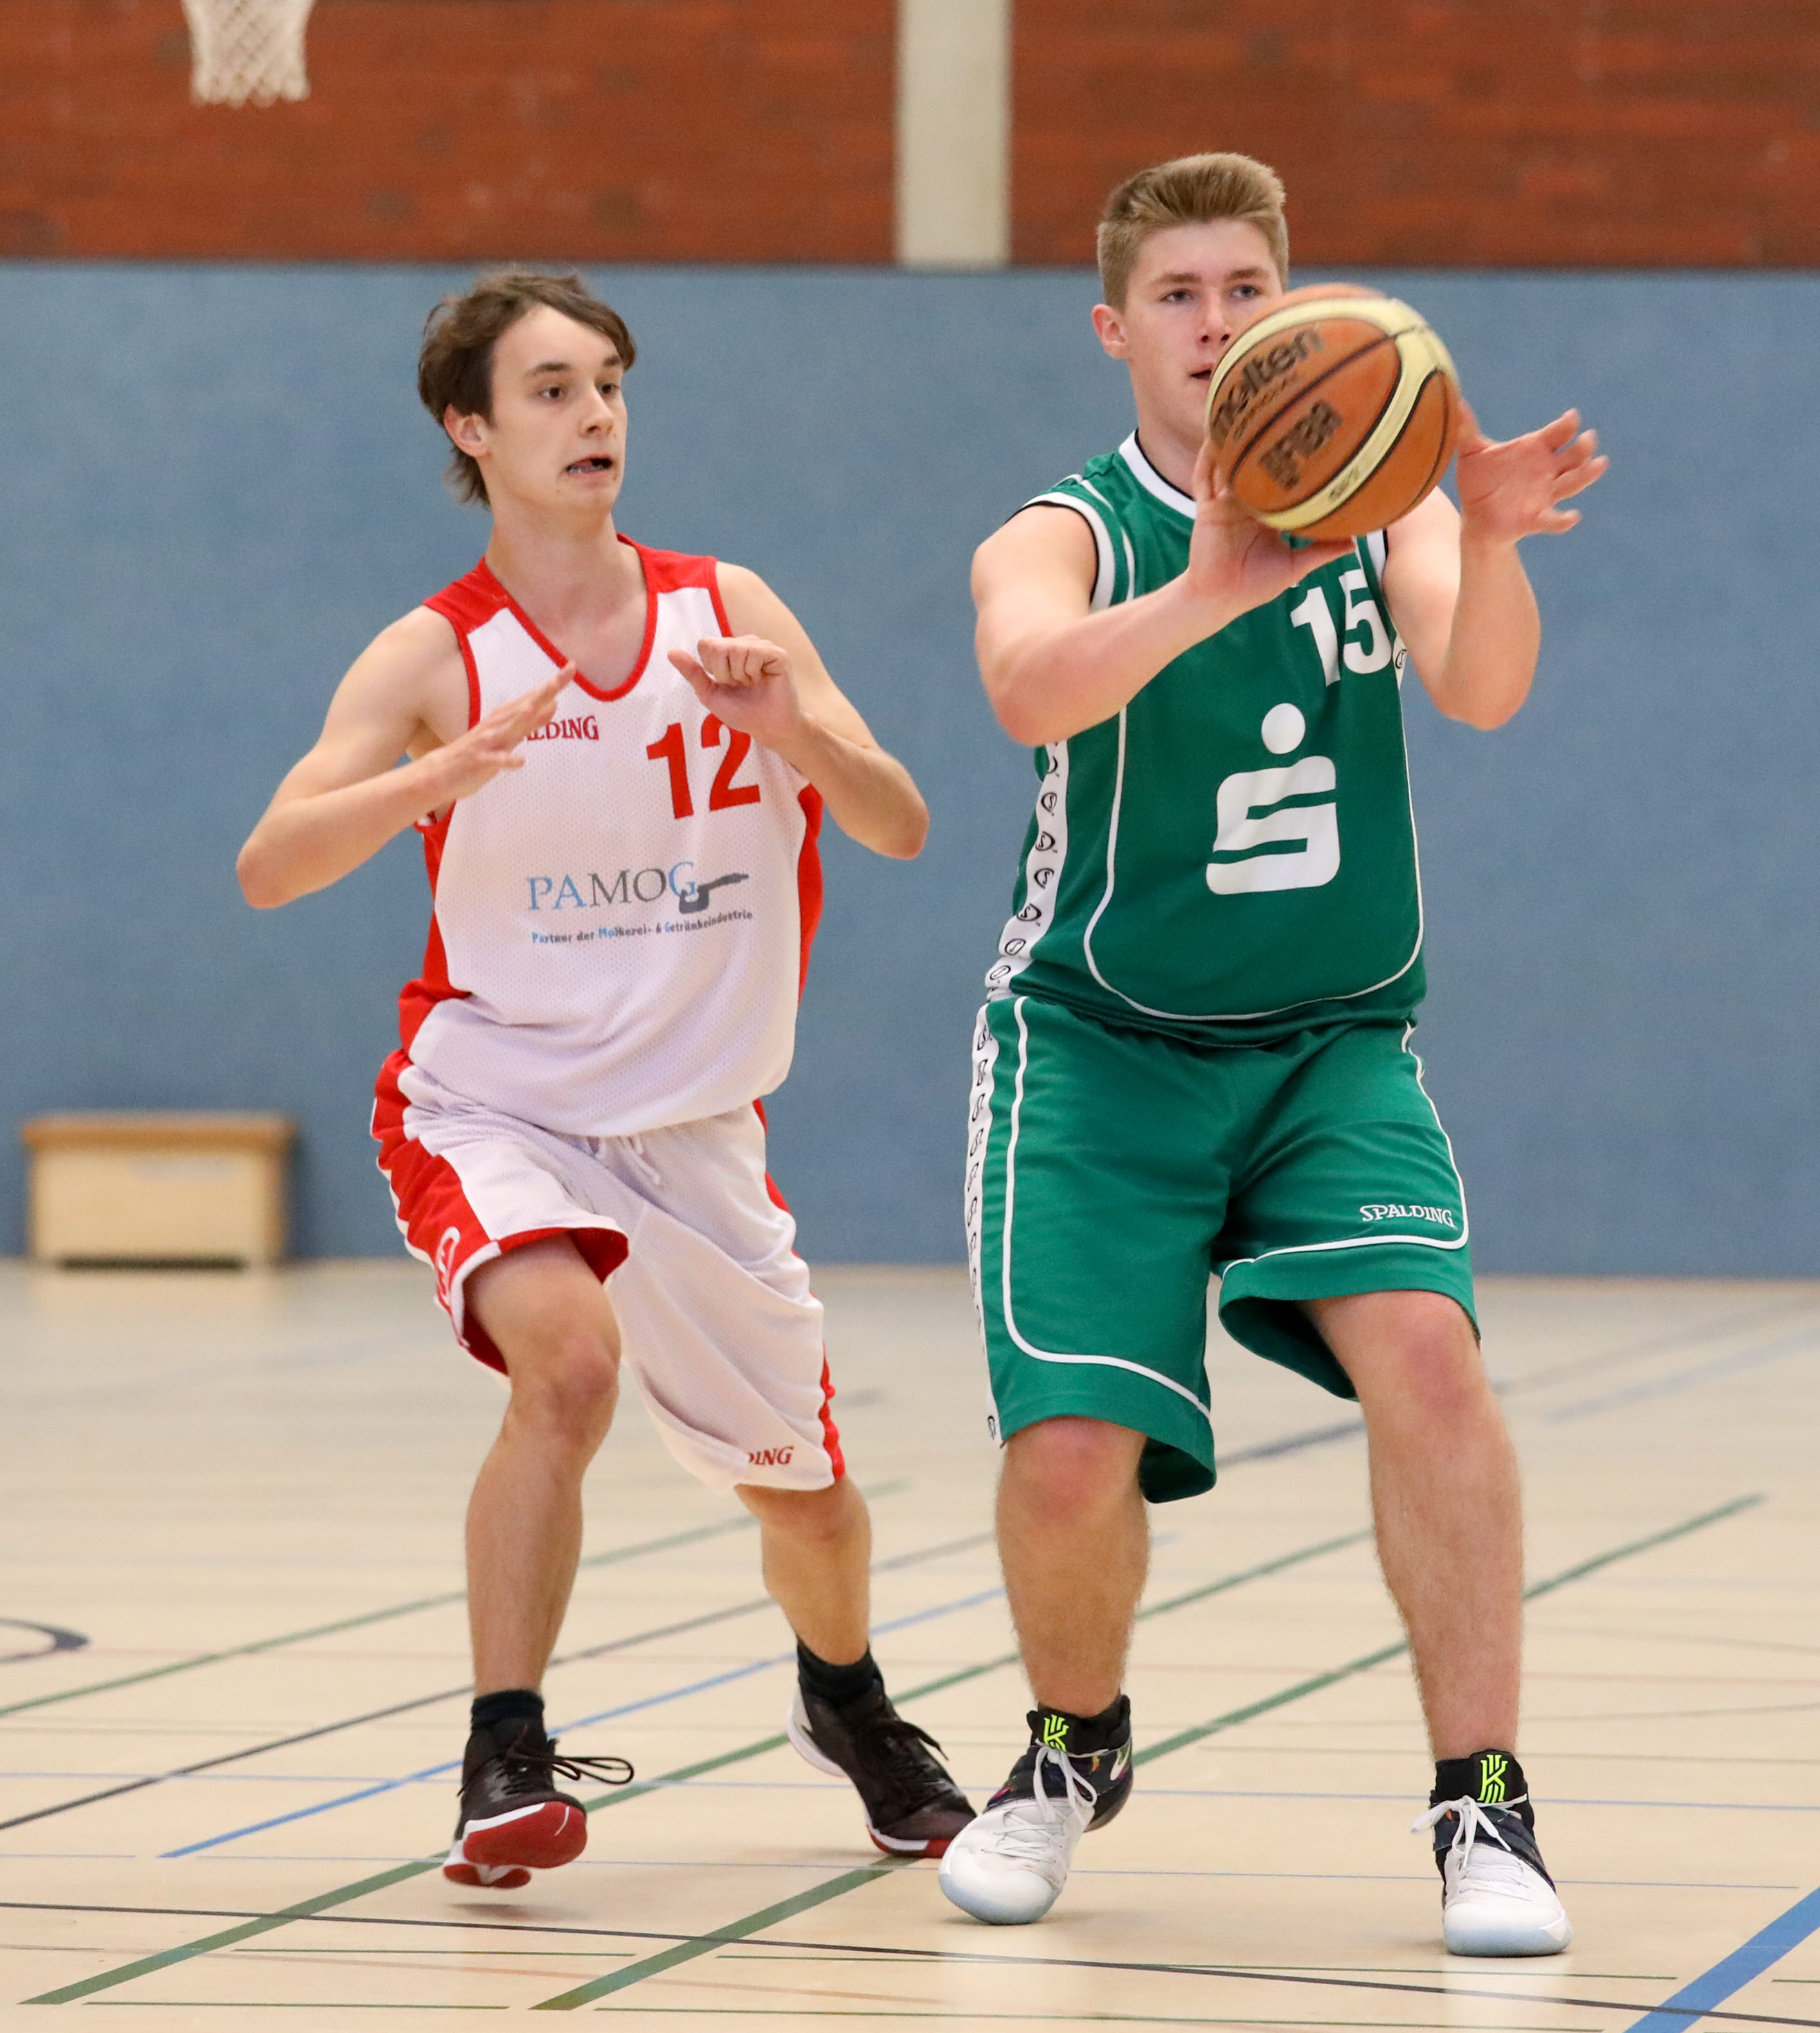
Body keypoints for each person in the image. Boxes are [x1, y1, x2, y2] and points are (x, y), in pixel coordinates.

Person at [939, 154, 1605, 1955]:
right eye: (1178, 294)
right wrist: (1211, 589)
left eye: (1245, 290)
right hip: (1098, 1044)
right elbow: (1024, 685)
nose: (1215, 321)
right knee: (1070, 1452)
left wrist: (1493, 535)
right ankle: (1069, 1749)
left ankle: (1485, 1802)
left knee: (1432, 1364)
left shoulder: (1386, 504)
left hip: (1328, 1044)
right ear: (1115, 330)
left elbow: (1482, 687)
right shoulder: (1065, 531)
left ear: (1294, 313)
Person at [235, 269, 970, 1886]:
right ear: (471, 428)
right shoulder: (434, 653)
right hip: (495, 1103)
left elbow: (902, 822)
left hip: (696, 1131)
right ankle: (503, 1754)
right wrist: (433, 774)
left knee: (809, 1508)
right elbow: (271, 864)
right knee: (564, 1367)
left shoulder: (728, 608)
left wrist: (799, 733)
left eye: (610, 386)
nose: (594, 418)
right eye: (553, 390)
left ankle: (845, 1700)